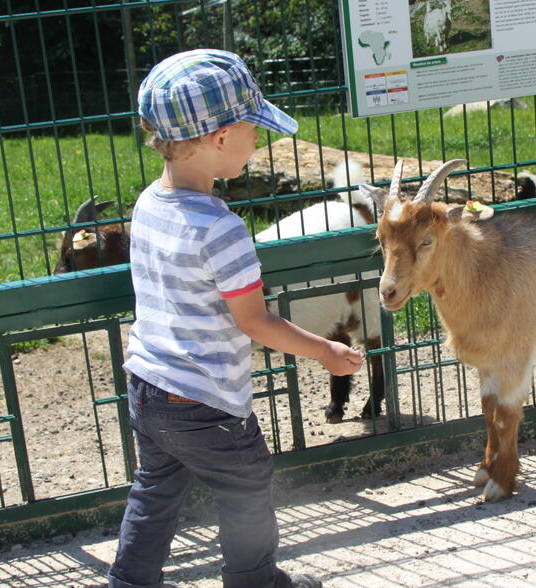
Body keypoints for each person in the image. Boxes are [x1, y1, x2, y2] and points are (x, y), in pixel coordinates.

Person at [108, 49, 363, 588]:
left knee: (154, 490)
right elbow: (254, 322)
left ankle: (129, 583)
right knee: (246, 488)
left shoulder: (147, 204)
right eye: (254, 129)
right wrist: (325, 350)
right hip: (206, 400)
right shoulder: (222, 229)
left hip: (148, 387)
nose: (258, 141)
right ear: (222, 138)